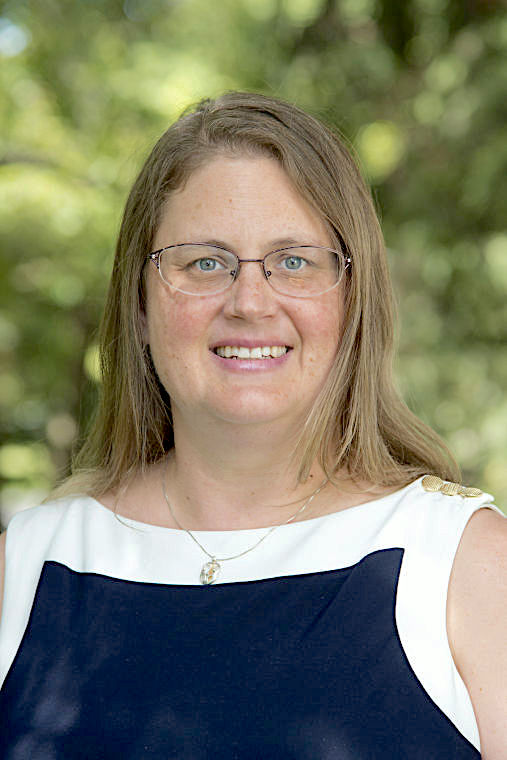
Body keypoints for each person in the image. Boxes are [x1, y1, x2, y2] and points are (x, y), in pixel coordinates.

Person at [0, 92, 505, 759]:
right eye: (203, 262)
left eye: (293, 260)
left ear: (353, 303)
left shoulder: (465, 565)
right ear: (141, 306)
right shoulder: (28, 568)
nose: (248, 301)